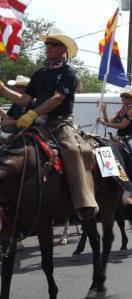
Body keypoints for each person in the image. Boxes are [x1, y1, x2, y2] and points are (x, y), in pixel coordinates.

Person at [0, 28, 98, 221]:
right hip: (38, 123)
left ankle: (83, 202)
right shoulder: (40, 73)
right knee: (9, 144)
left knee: (72, 150)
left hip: (60, 124)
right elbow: (24, 99)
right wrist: (2, 89)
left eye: (53, 44)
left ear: (64, 49)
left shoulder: (69, 72)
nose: (48, 47)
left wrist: (32, 114)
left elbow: (57, 99)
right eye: (47, 44)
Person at [98, 86, 132, 192]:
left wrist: (105, 123)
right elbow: (109, 121)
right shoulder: (120, 111)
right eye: (122, 96)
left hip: (129, 138)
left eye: (126, 97)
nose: (123, 98)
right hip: (119, 138)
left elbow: (122, 126)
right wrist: (104, 111)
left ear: (131, 99)